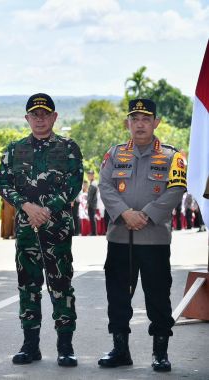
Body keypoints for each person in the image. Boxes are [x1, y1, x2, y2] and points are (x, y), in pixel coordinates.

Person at [97, 98, 187, 372]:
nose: (140, 124)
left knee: (158, 295)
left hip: (154, 239)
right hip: (120, 238)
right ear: (128, 123)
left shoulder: (173, 157)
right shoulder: (115, 154)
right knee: (118, 296)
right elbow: (105, 186)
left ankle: (160, 353)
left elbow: (176, 190)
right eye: (135, 119)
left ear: (156, 123)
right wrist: (125, 213)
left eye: (146, 119)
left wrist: (145, 214)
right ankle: (120, 349)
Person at [0, 93, 83, 367]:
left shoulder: (68, 148)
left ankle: (65, 346)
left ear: (54, 117)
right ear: (27, 118)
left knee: (61, 285)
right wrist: (26, 207)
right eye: (35, 114)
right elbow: (3, 184)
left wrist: (46, 210)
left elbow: (74, 184)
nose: (40, 119)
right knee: (28, 286)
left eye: (45, 114)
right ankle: (30, 345)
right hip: (26, 230)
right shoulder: (14, 149)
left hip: (56, 229)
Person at [87, 170, 98, 236]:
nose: (88, 176)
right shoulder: (92, 183)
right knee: (91, 218)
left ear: (93, 175)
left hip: (92, 204)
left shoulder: (93, 183)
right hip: (93, 203)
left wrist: (88, 203)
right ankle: (93, 232)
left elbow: (90, 195)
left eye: (90, 175)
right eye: (88, 175)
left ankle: (94, 233)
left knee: (92, 218)